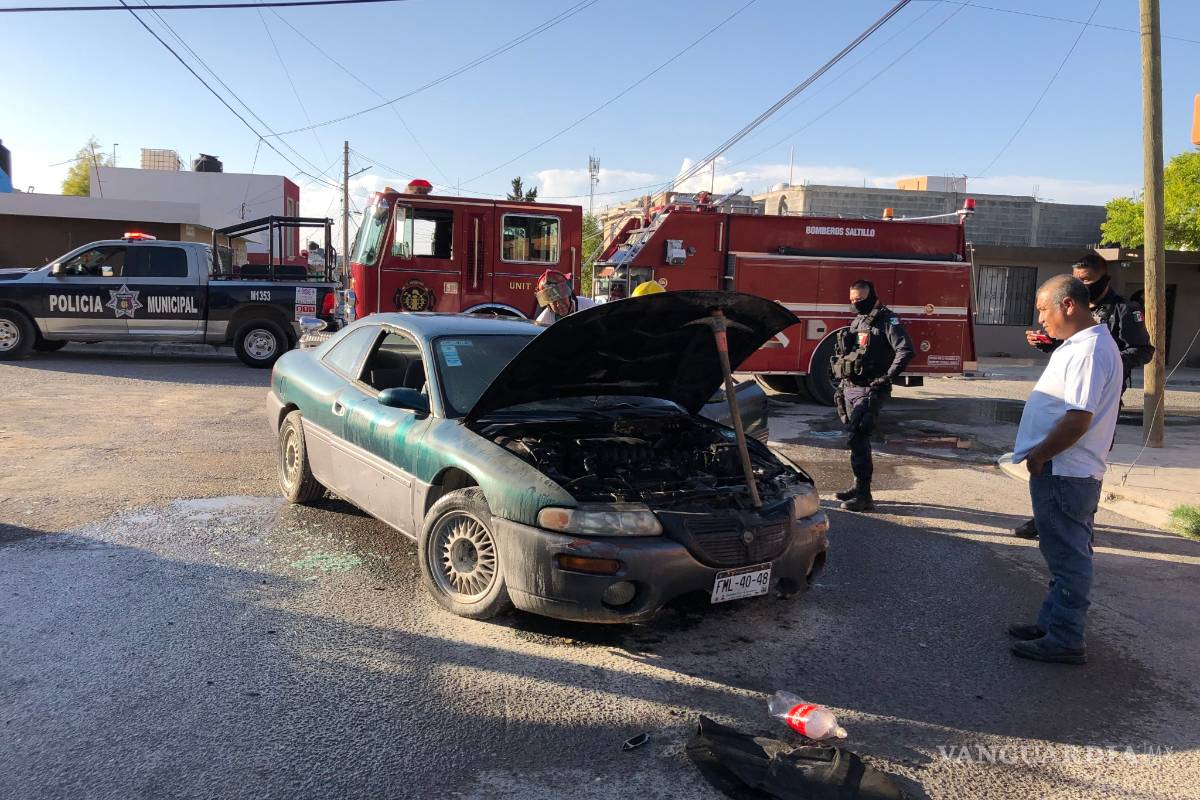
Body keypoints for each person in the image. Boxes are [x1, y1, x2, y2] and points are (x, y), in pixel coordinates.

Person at [1009, 275, 1122, 664]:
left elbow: (1078, 419)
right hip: (1067, 470)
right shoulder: (1082, 345)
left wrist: (1040, 456)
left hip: (1065, 470)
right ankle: (1052, 622)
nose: (1040, 319)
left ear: (1068, 305)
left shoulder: (1088, 352)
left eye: (1043, 309)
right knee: (1060, 553)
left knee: (1070, 559)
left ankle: (1066, 638)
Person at [1013, 252, 1153, 538]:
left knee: (1082, 462)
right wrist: (1048, 343)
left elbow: (1143, 350)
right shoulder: (1076, 311)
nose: (1082, 285)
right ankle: (1052, 519)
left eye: (1087, 280)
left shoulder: (1123, 310)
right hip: (1077, 391)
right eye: (1077, 280)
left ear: (1103, 277)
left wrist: (1106, 364)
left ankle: (1076, 523)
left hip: (1100, 397)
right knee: (1062, 463)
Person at [830, 280, 914, 512]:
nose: (856, 304)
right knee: (856, 441)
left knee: (858, 435)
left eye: (860, 299)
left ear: (873, 296)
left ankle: (865, 497)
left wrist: (887, 377)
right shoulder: (859, 320)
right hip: (850, 387)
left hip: (870, 388)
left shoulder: (887, 320)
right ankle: (858, 486)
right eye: (853, 300)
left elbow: (905, 350)